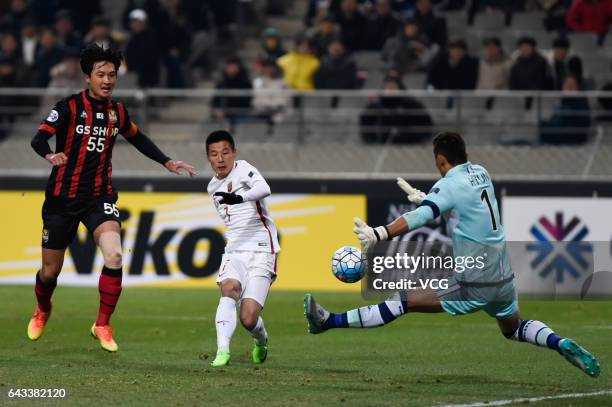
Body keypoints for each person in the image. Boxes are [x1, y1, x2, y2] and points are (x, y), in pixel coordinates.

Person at [304, 132, 600, 378]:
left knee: (402, 301)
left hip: (474, 280)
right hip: (503, 275)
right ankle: (557, 341)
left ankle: (327, 321)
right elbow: (465, 212)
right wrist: (430, 199)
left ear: (440, 160)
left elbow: (421, 217)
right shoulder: (480, 172)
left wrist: (379, 233)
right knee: (514, 328)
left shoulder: (448, 184)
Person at [27, 43, 196, 352]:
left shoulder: (118, 112)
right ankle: (43, 308)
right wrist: (50, 155)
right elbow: (38, 138)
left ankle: (102, 323)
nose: (107, 80)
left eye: (112, 75)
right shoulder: (67, 107)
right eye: (101, 74)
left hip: (98, 196)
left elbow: (138, 137)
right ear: (87, 77)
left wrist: (167, 161)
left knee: (115, 256)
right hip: (61, 200)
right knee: (50, 272)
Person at [206, 130, 280, 367]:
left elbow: (264, 189)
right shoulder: (212, 188)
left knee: (248, 319)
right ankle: (222, 351)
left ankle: (261, 340)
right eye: (214, 154)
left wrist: (239, 198)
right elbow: (231, 222)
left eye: (225, 152)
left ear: (234, 153)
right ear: (208, 158)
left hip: (262, 249)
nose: (221, 159)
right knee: (229, 289)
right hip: (234, 250)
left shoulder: (245, 169)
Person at [360, 76, 433, 143]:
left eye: (393, 87)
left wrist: (418, 138)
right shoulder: (375, 105)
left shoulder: (412, 104)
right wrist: (372, 139)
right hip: (382, 141)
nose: (390, 90)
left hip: (409, 142)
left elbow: (425, 122)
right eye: (388, 87)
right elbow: (365, 124)